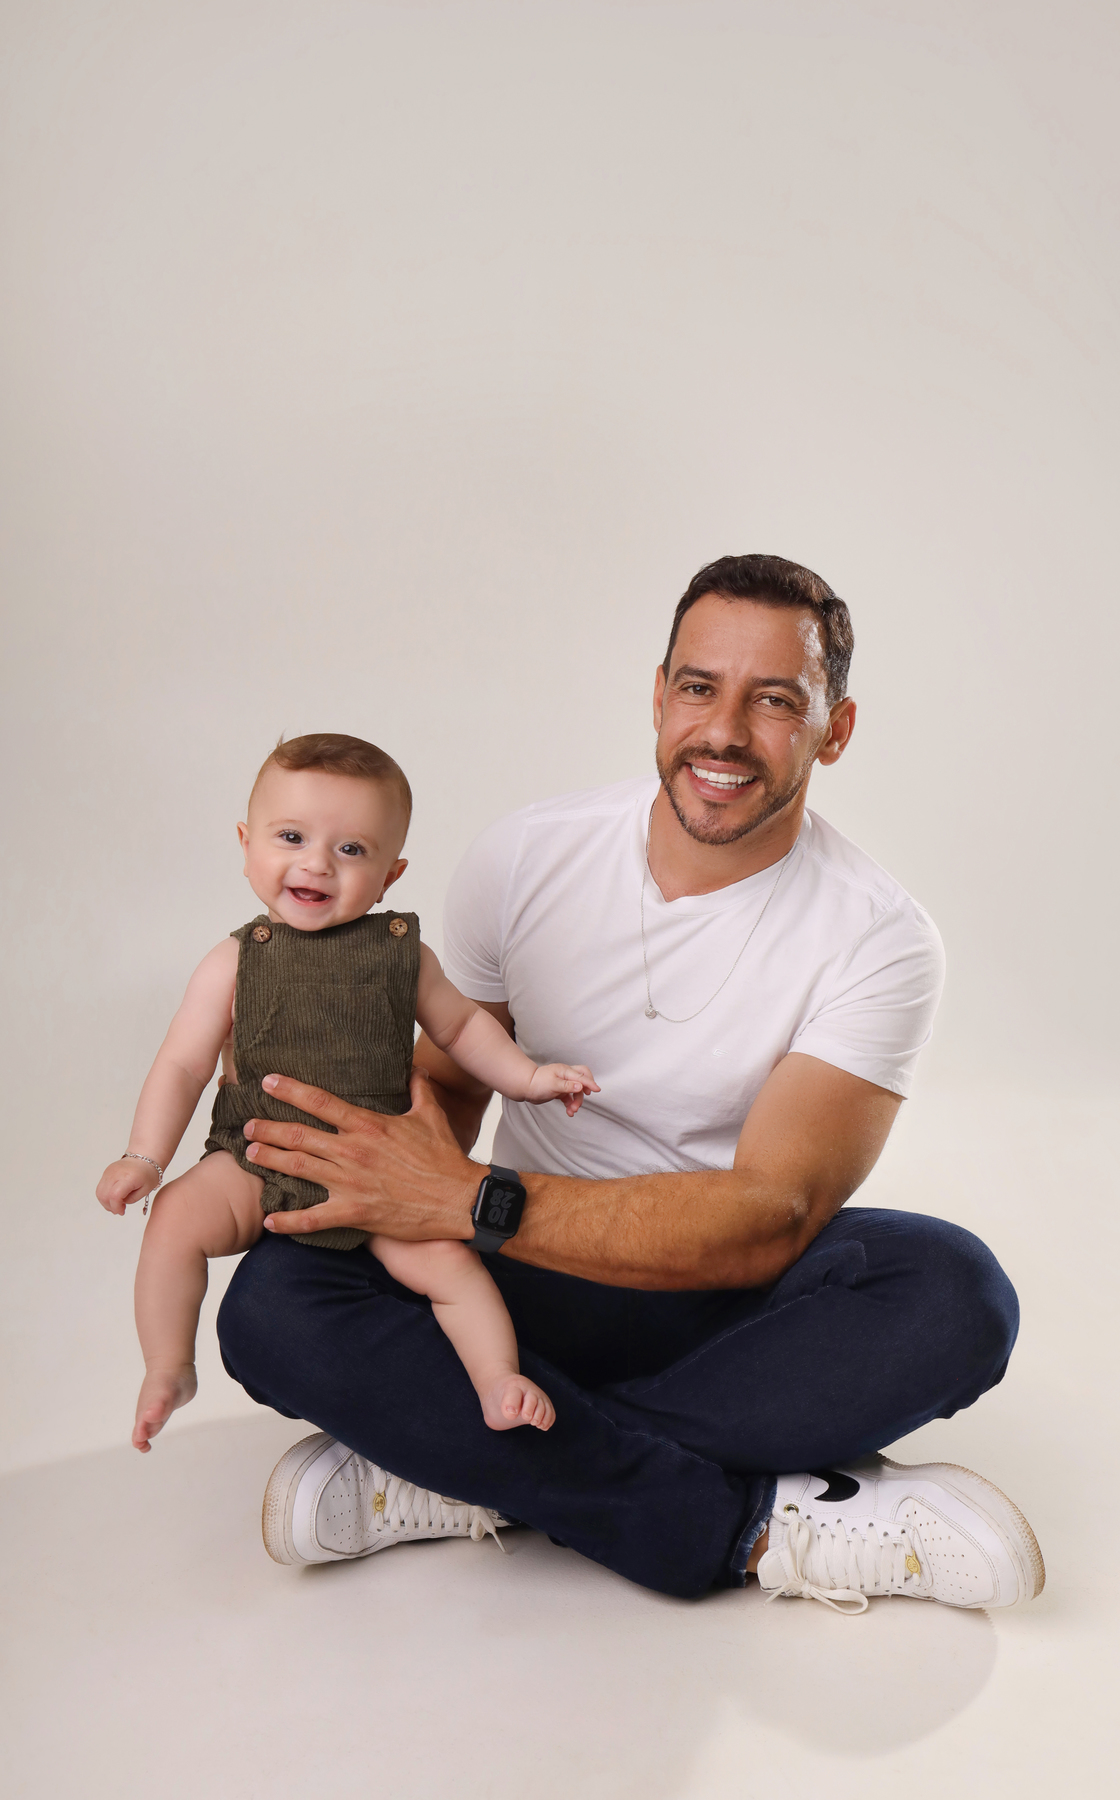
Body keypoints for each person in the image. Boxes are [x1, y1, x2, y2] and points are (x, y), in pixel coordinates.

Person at [217, 556, 1045, 1612]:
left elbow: (771, 1218)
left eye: (775, 701)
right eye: (699, 687)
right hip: (517, 1285)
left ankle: (459, 1461)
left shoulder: (880, 936)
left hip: (721, 1304)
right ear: (659, 697)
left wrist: (470, 1200)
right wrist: (327, 1124)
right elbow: (441, 1097)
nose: (724, 732)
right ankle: (746, 1523)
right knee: (273, 1304)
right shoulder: (526, 855)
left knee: (953, 1295)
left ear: (834, 731)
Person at [97, 733, 598, 1452]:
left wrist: (528, 1077)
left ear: (391, 874)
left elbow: (463, 1027)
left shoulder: (402, 954)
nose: (316, 864)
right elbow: (182, 1065)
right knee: (174, 1216)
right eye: (291, 837)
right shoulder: (234, 961)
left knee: (452, 1269)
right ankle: (169, 1366)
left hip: (380, 1172)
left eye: (351, 849)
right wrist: (144, 1156)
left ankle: (497, 1381)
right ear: (246, 845)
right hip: (254, 1159)